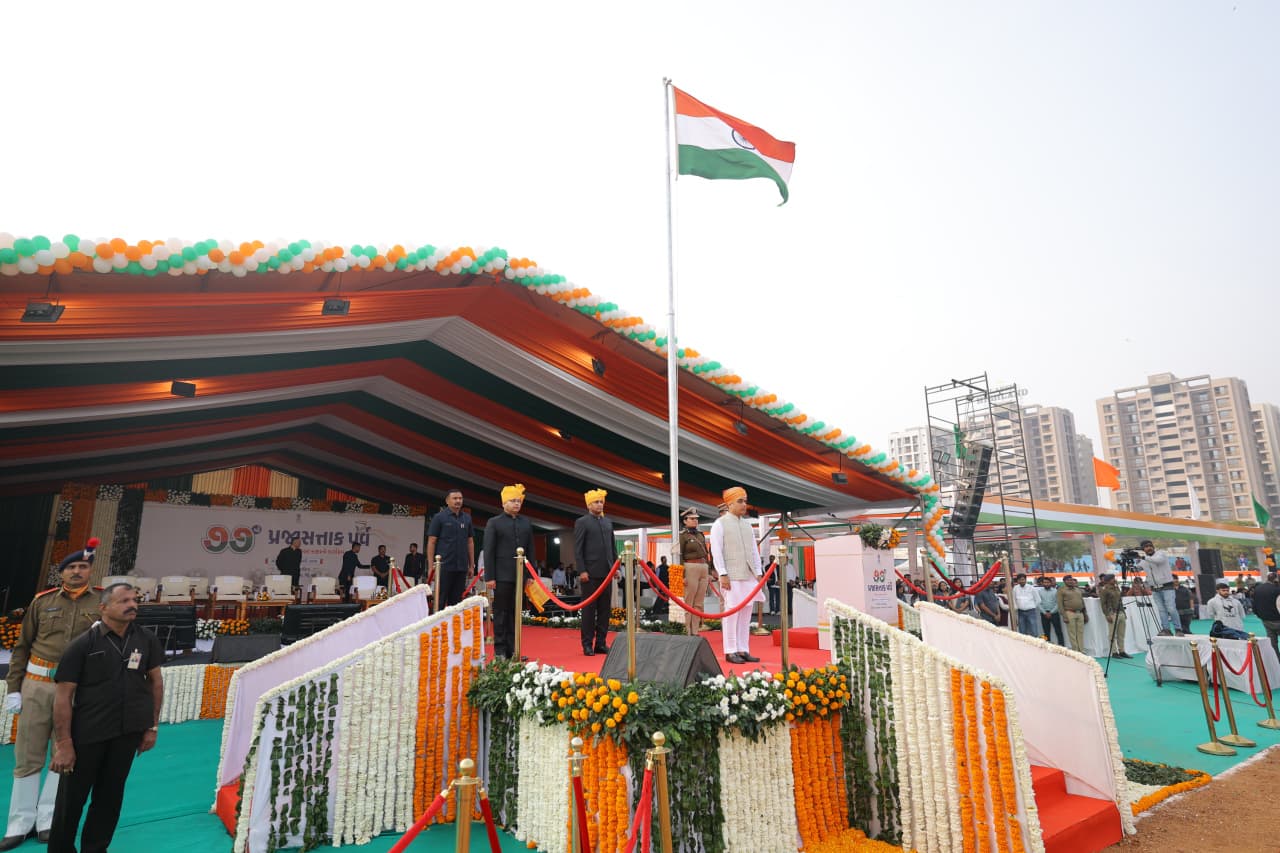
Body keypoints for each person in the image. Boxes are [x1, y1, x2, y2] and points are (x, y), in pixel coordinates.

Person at [48, 582, 164, 853]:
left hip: (128, 732)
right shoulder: (82, 645)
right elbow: (63, 696)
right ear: (103, 608)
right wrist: (63, 743)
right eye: (124, 601)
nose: (132, 605)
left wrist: (152, 726)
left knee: (110, 798)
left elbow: (155, 682)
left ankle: (96, 848)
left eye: (134, 600)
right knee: (71, 801)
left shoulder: (146, 639)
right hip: (88, 734)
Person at [2, 539, 102, 850]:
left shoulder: (102, 602)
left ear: (90, 571)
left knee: (64, 753)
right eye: (71, 567)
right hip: (37, 685)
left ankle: (48, 819)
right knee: (27, 755)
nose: (77, 571)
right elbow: (22, 647)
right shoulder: (42, 602)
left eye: (82, 566)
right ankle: (19, 823)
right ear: (61, 573)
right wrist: (14, 688)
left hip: (76, 689)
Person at [710, 487, 765, 664]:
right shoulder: (720, 524)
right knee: (731, 613)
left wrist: (759, 572)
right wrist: (722, 573)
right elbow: (716, 551)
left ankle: (743, 649)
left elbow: (754, 551)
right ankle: (730, 650)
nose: (744, 505)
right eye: (740, 501)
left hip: (749, 575)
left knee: (746, 613)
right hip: (731, 575)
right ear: (729, 504)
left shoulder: (747, 525)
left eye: (745, 501)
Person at [482, 484, 534, 660]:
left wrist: (530, 574)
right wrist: (490, 576)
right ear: (504, 503)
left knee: (515, 613)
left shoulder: (526, 522)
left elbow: (530, 550)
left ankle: (513, 650)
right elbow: (489, 551)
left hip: (521, 575)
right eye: (513, 501)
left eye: (519, 501)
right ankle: (500, 650)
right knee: (501, 613)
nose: (516, 504)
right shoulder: (494, 522)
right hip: (501, 575)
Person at [574, 488, 616, 657]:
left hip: (607, 573)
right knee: (589, 611)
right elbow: (578, 549)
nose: (599, 505)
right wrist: (582, 570)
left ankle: (601, 643)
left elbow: (612, 547)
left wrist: (615, 568)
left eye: (601, 502)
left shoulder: (608, 522)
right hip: (589, 574)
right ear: (589, 505)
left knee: (605, 610)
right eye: (596, 502)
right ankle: (587, 644)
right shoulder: (582, 522)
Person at [427, 489, 476, 608]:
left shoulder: (467, 518)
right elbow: (431, 542)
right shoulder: (439, 517)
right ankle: (438, 620)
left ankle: (453, 621)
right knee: (440, 600)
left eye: (460, 498)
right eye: (455, 498)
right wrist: (430, 567)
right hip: (444, 566)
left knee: (457, 602)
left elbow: (470, 542)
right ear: (447, 501)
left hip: (461, 566)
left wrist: (471, 565)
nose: (458, 501)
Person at [678, 507, 715, 634]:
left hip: (703, 567)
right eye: (692, 519)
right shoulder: (682, 536)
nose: (695, 521)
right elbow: (680, 555)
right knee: (689, 601)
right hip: (690, 567)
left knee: (699, 602)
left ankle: (695, 631)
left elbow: (706, 554)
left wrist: (709, 572)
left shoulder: (700, 535)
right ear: (685, 521)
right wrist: (682, 575)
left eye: (696, 519)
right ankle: (687, 631)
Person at [1137, 541, 1180, 635]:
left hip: (1167, 586)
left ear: (1153, 547)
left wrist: (1142, 557)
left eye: (1150, 546)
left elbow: (1157, 560)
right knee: (1161, 610)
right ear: (1143, 549)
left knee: (1171, 608)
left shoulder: (1161, 553)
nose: (1149, 548)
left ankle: (1178, 629)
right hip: (1154, 588)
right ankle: (1166, 630)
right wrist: (1125, 562)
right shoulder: (1144, 561)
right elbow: (1137, 569)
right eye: (1146, 547)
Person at [1098, 574, 1130, 658]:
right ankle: (1114, 652)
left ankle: (1122, 651)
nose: (1115, 580)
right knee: (1112, 635)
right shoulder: (1104, 590)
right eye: (1113, 579)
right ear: (1108, 580)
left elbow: (1120, 601)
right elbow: (1103, 604)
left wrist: (1124, 613)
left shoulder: (1116, 588)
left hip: (1121, 612)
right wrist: (1107, 615)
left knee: (1121, 634)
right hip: (1112, 613)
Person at [1057, 575, 1088, 653]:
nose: (1070, 581)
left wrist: (1085, 614)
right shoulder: (1061, 590)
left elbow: (1082, 602)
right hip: (1069, 613)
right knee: (1072, 633)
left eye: (1071, 580)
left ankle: (1081, 650)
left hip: (1080, 613)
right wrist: (1064, 616)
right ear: (1064, 581)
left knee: (1080, 632)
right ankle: (1075, 650)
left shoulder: (1077, 589)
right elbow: (1060, 604)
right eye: (1068, 580)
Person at [1251, 572, 1280, 655]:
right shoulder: (1277, 589)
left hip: (1265, 619)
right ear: (1276, 579)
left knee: (1272, 642)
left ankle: (1276, 659)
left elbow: (1254, 603)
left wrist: (1258, 614)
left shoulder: (1258, 589)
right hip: (1277, 618)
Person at [1037, 576, 1065, 646]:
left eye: (1048, 582)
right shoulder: (1039, 592)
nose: (1046, 584)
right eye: (1045, 582)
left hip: (1054, 614)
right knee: (1046, 631)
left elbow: (1058, 603)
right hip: (1044, 614)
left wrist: (1051, 612)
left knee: (1058, 631)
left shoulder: (1055, 591)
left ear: (1050, 583)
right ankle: (1047, 645)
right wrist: (1044, 612)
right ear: (1042, 583)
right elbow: (1038, 603)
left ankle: (1062, 646)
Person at [1010, 574, 1041, 638]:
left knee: (1033, 629)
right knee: (1022, 630)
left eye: (1023, 579)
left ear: (1025, 580)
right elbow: (1013, 599)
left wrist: (1033, 606)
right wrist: (1016, 608)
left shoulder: (1031, 588)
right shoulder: (1015, 588)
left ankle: (1035, 642)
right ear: (1017, 580)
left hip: (1031, 611)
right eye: (1020, 580)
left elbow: (1038, 600)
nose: (1021, 581)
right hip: (1020, 612)